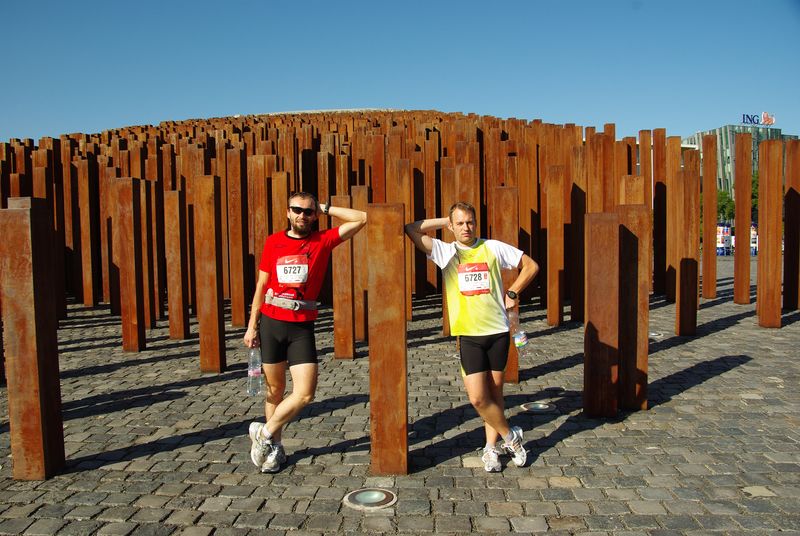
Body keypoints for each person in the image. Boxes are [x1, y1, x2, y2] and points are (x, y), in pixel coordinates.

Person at [404, 201, 539, 472]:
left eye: (470, 222)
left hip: (497, 331)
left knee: (495, 395)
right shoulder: (446, 252)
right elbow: (411, 229)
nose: (466, 227)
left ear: (476, 223)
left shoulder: (493, 247)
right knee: (478, 398)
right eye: (460, 223)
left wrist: (513, 291)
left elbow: (531, 266)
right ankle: (511, 437)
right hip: (469, 335)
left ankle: (490, 448)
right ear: (452, 226)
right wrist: (443, 221)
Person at [243, 192, 367, 473]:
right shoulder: (273, 242)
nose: (302, 215)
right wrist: (252, 326)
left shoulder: (322, 240)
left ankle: (264, 432)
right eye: (297, 210)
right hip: (272, 322)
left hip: (301, 326)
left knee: (305, 393)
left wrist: (325, 207)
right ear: (288, 212)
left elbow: (362, 218)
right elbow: (261, 286)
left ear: (315, 216)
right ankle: (274, 448)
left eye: (308, 212)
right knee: (275, 392)